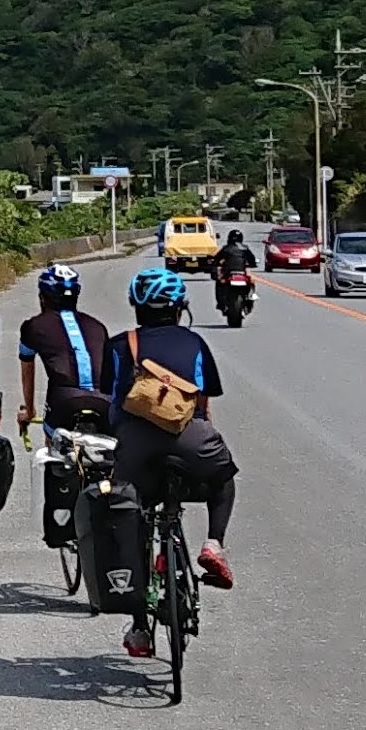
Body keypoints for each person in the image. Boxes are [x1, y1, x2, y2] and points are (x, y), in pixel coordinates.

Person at [98, 267, 240, 660]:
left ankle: (141, 629)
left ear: (136, 306)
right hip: (191, 439)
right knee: (223, 479)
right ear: (180, 308)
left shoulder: (118, 345)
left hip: (135, 446)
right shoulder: (194, 342)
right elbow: (204, 400)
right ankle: (214, 543)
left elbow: (107, 399)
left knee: (133, 518)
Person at [16, 263, 114, 439]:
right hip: (104, 401)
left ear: (42, 297)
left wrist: (29, 412)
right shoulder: (98, 327)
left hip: (64, 400)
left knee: (54, 443)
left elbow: (27, 372)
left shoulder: (32, 327)